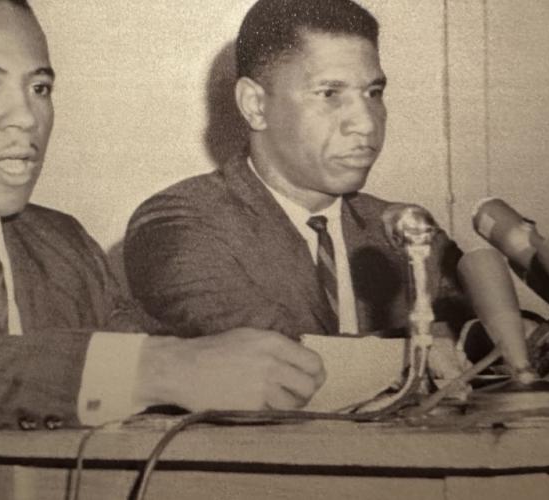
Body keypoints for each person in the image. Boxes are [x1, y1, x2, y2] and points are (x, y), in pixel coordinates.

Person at [0, 1, 324, 499]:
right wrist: (155, 368)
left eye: (39, 88)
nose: (26, 118)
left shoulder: (62, 242)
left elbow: (151, 349)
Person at [124, 0, 471, 339]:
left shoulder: (401, 228)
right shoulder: (177, 225)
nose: (366, 123)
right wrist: (411, 356)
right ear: (255, 105)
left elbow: (487, 333)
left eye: (373, 92)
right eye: (330, 93)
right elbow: (269, 359)